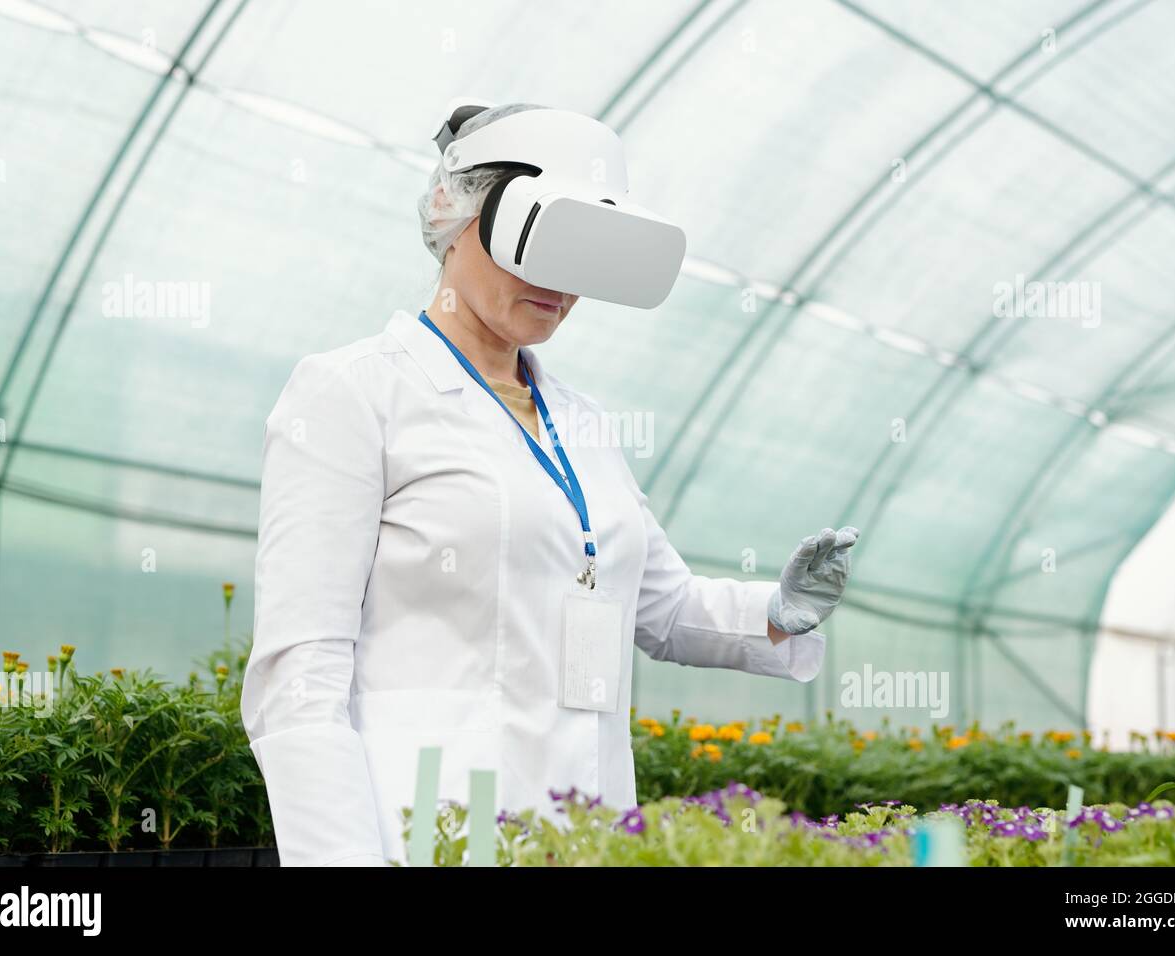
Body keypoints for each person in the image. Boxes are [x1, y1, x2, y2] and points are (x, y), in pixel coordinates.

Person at [240, 101, 859, 866]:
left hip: (584, 832)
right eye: (540, 245)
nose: (560, 286)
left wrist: (775, 611)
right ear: (455, 213)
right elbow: (298, 676)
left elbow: (659, 605)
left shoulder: (582, 422)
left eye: (586, 256)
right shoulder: (355, 393)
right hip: (430, 839)